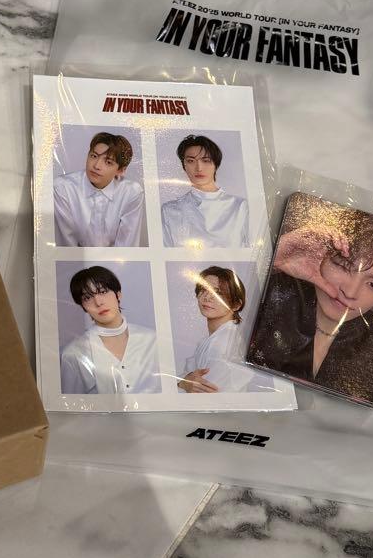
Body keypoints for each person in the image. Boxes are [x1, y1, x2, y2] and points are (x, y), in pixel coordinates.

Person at [246, 196, 373, 404]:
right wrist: (274, 257)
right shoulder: (267, 294)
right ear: (321, 254)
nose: (350, 292)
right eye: (343, 266)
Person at [60, 266, 160, 394]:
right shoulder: (74, 354)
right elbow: (71, 403)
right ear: (83, 306)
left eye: (103, 292)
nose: (98, 302)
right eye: (87, 298)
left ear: (118, 294)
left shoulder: (151, 340)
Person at [177, 266, 273, 394]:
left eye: (218, 293)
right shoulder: (214, 338)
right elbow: (188, 376)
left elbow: (204, 393)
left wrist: (183, 382)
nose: (207, 297)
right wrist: (184, 381)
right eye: (204, 289)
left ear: (236, 305)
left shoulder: (225, 342)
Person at [54, 132, 145, 247]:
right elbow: (65, 247)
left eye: (108, 162)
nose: (96, 166)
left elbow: (127, 247)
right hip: (74, 258)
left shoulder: (132, 193)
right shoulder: (63, 188)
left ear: (121, 170)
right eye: (94, 156)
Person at [161, 134, 250, 248]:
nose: (199, 168)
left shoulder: (240, 207)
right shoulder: (169, 210)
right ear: (184, 166)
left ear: (215, 164)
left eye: (206, 160)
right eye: (191, 161)